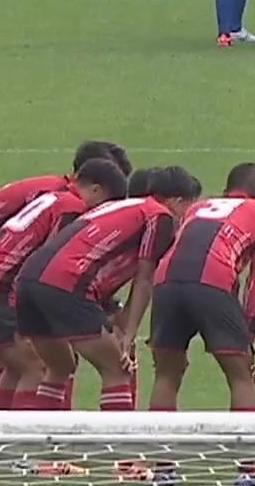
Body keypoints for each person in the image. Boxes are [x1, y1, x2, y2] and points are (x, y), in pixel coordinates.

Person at [0, 140, 129, 408]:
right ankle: (12, 436)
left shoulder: (56, 193)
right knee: (26, 361)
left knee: (23, 357)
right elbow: (48, 260)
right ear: (94, 184)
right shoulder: (67, 205)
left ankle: (2, 429)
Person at [16, 166, 201, 412]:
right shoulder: (159, 216)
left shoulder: (123, 207)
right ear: (177, 202)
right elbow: (144, 279)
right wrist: (127, 336)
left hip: (28, 280)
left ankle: (42, 446)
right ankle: (119, 449)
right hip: (65, 283)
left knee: (59, 367)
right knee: (117, 370)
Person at [147, 163, 255, 414]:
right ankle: (246, 452)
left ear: (225, 191)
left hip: (166, 280)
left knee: (166, 374)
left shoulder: (197, 208)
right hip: (212, 280)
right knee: (240, 373)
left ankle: (158, 452)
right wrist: (250, 329)